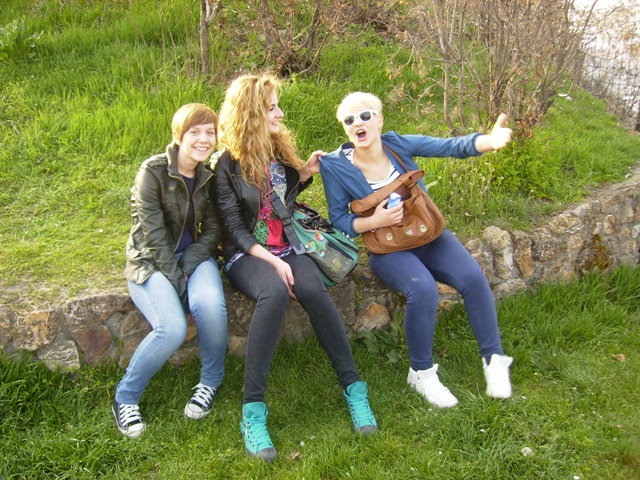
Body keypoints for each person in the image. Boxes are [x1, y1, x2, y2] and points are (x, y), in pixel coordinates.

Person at [212, 74, 377, 462]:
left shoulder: (276, 150)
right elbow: (234, 227)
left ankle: (355, 390)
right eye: (272, 107)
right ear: (251, 112)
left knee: (313, 290)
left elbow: (279, 202)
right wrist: (271, 261)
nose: (280, 113)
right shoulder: (226, 165)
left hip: (288, 245)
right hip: (247, 254)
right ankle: (253, 413)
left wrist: (302, 175)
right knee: (272, 293)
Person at [320, 92, 514, 409]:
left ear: (379, 120)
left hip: (429, 235)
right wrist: (375, 221)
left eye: (365, 115)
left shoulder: (397, 145)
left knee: (473, 279)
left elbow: (449, 146)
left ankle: (494, 360)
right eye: (349, 120)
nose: (358, 123)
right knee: (423, 289)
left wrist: (489, 142)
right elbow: (339, 220)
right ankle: (421, 374)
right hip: (387, 250)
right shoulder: (335, 167)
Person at [114, 103, 228, 438]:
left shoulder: (209, 176)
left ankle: (210, 381)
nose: (203, 139)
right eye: (195, 132)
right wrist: (179, 282)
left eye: (209, 132)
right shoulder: (152, 172)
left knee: (209, 305)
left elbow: (214, 230)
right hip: (149, 260)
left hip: (193, 255)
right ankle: (125, 397)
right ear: (179, 135)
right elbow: (152, 236)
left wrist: (190, 263)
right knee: (172, 328)